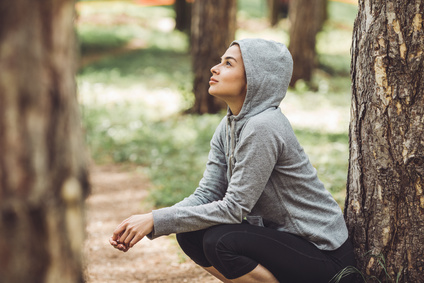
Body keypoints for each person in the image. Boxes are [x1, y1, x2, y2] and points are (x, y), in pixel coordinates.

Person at [109, 38, 356, 283]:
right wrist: (156, 219)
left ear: (254, 79)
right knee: (190, 236)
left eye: (228, 64)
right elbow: (208, 193)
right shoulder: (228, 126)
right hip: (287, 244)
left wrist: (155, 220)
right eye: (220, 62)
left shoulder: (264, 127)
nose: (214, 69)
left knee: (221, 242)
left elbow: (235, 208)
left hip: (325, 254)